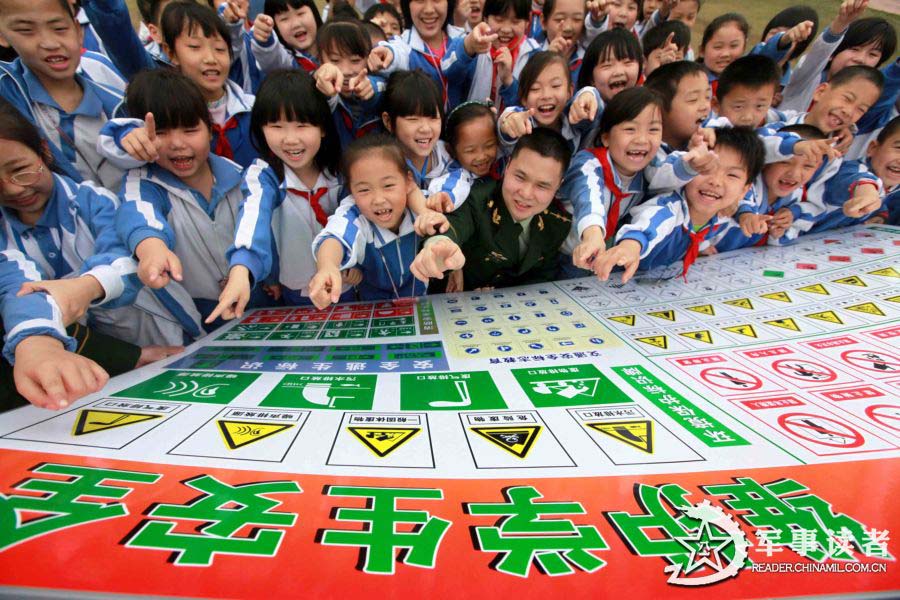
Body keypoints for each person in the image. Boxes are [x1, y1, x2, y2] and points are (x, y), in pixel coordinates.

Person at [112, 69, 250, 341]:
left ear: (210, 130)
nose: (177, 144)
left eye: (189, 130)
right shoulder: (142, 184)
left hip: (254, 298)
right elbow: (140, 217)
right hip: (199, 311)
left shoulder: (241, 177)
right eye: (160, 132)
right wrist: (152, 250)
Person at [209, 70, 350, 320]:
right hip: (297, 290)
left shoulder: (341, 172)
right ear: (261, 129)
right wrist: (241, 270)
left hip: (347, 285)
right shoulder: (263, 175)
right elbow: (253, 218)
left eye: (302, 125)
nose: (290, 139)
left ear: (323, 129)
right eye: (276, 126)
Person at [594, 126, 764, 282]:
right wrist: (630, 246)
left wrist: (701, 246)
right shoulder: (670, 207)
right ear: (690, 166)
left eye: (732, 175)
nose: (716, 182)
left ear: (744, 190)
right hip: (606, 279)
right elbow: (649, 225)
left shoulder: (721, 216)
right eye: (705, 169)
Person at [411, 127, 572, 290]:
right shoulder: (477, 198)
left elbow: (541, 277)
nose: (526, 193)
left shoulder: (557, 223)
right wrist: (438, 246)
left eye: (542, 186)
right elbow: (452, 226)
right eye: (520, 177)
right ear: (507, 166)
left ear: (559, 185)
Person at [0, 0, 126, 190]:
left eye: (59, 28)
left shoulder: (113, 94)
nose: (50, 43)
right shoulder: (8, 90)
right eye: (26, 31)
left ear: (78, 29)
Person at [309, 133, 427, 307]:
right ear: (351, 191)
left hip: (422, 303)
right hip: (372, 308)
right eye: (364, 190)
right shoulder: (355, 214)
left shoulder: (421, 207)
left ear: (408, 181)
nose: (378, 199)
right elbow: (334, 237)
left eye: (388, 186)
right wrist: (327, 267)